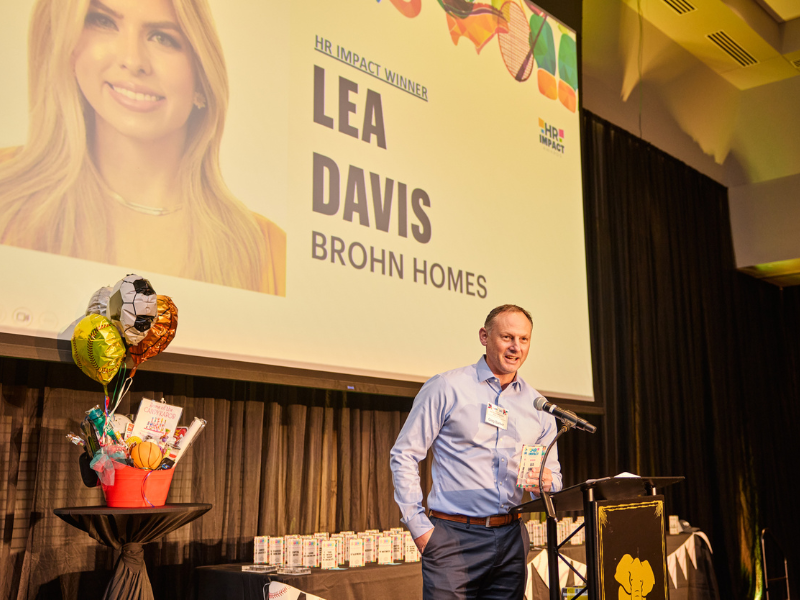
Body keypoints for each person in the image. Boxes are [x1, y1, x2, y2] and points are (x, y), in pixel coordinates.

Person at [0, 0, 286, 295]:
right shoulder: (6, 194)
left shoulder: (267, 252)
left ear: (201, 76)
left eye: (162, 38)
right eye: (104, 22)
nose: (133, 60)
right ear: (68, 45)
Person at [390, 304, 563, 599]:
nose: (515, 347)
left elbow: (554, 478)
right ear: (484, 336)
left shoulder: (539, 406)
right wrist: (419, 528)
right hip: (453, 537)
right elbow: (404, 454)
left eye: (524, 339)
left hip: (511, 538)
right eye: (507, 337)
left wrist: (546, 482)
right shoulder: (447, 387)